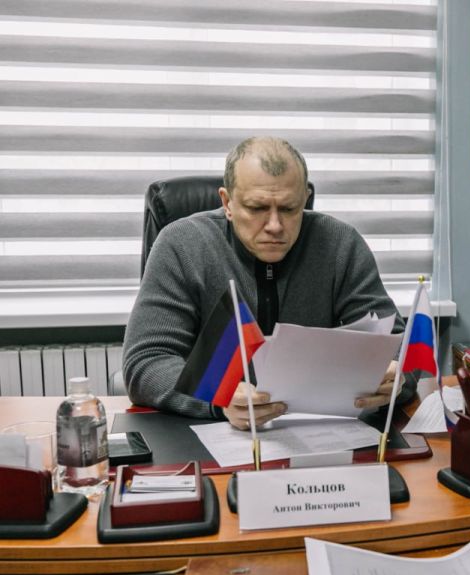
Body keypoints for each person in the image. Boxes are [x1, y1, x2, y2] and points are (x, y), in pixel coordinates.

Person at [123, 137, 415, 426]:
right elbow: (147, 362)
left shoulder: (340, 245)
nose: (275, 226)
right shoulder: (182, 245)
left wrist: (395, 376)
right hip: (208, 432)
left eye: (288, 209)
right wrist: (217, 398)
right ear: (227, 202)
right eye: (256, 208)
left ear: (305, 199)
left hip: (316, 433)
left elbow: (404, 352)